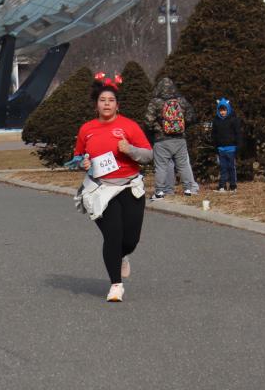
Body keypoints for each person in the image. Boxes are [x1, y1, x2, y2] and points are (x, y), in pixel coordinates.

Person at [73, 72, 153, 302]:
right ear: (96, 105)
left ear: (117, 105)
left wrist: (130, 150)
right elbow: (77, 156)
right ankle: (116, 285)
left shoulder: (129, 126)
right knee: (112, 235)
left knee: (130, 239)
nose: (106, 104)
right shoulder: (87, 129)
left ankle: (123, 255)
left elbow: (148, 155)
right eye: (102, 100)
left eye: (111, 100)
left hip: (129, 186)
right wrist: (82, 163)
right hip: (101, 189)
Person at [145, 77, 198, 200]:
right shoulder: (181, 101)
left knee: (161, 167)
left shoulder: (155, 102)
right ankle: (188, 189)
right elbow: (191, 116)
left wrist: (157, 129)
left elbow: (148, 121)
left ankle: (159, 192)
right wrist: (181, 127)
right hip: (180, 139)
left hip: (161, 140)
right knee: (183, 165)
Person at [211, 98, 241, 193]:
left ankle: (233, 186)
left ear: (228, 109)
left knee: (231, 167)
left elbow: (238, 133)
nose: (223, 112)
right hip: (221, 149)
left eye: (224, 110)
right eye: (221, 110)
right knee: (223, 168)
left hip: (231, 149)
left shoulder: (233, 120)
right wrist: (215, 147)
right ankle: (222, 186)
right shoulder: (216, 121)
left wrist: (238, 145)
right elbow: (214, 135)